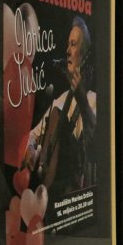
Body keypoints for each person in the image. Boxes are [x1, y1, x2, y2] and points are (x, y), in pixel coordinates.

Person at [23, 16, 97, 206]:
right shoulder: (60, 100)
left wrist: (82, 100)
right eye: (68, 44)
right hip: (51, 196)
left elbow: (96, 140)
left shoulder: (93, 100)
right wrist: (30, 151)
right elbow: (31, 135)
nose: (67, 51)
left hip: (76, 199)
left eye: (73, 44)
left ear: (85, 55)